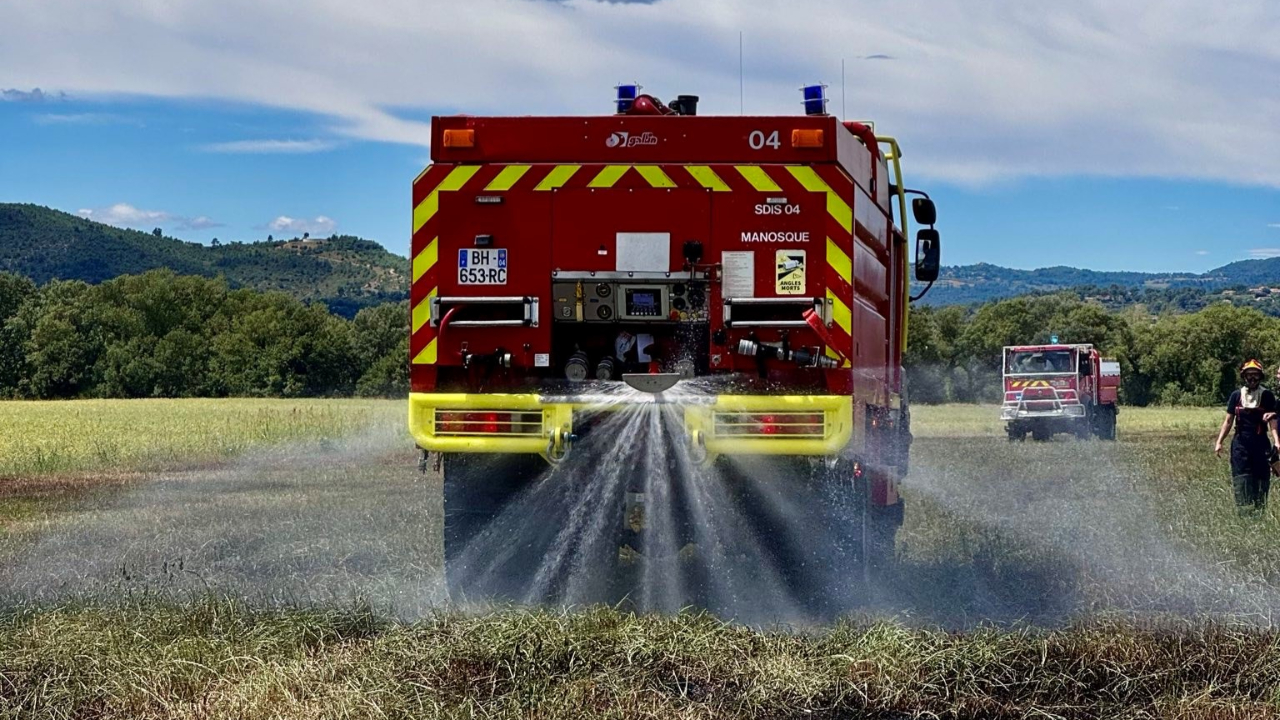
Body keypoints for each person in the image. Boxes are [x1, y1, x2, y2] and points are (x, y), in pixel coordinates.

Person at [1214, 359, 1280, 515]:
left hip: (1261, 443)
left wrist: (1277, 442)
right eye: (1249, 375)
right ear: (1244, 376)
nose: (1252, 378)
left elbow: (1273, 421)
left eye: (1255, 375)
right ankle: (1244, 516)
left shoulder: (1267, 396)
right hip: (1240, 444)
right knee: (1242, 479)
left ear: (1260, 376)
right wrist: (1219, 442)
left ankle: (1259, 514)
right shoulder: (1236, 396)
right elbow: (1228, 421)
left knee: (1261, 479)